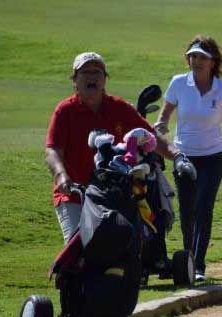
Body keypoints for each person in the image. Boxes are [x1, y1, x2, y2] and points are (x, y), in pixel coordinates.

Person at [46, 51, 184, 244]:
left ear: (105, 79)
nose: (91, 77)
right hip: (76, 194)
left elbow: (150, 135)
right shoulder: (64, 111)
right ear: (74, 81)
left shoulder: (119, 108)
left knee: (123, 243)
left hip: (114, 194)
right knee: (78, 248)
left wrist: (177, 156)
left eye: (97, 72)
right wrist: (61, 176)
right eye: (85, 72)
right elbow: (53, 151)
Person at [153, 35, 222, 281]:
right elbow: (165, 115)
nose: (196, 61)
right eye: (193, 56)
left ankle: (198, 265)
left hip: (212, 157)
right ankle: (187, 258)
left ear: (212, 62)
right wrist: (161, 126)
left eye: (202, 57)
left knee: (204, 208)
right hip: (183, 156)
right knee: (187, 211)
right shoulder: (178, 83)